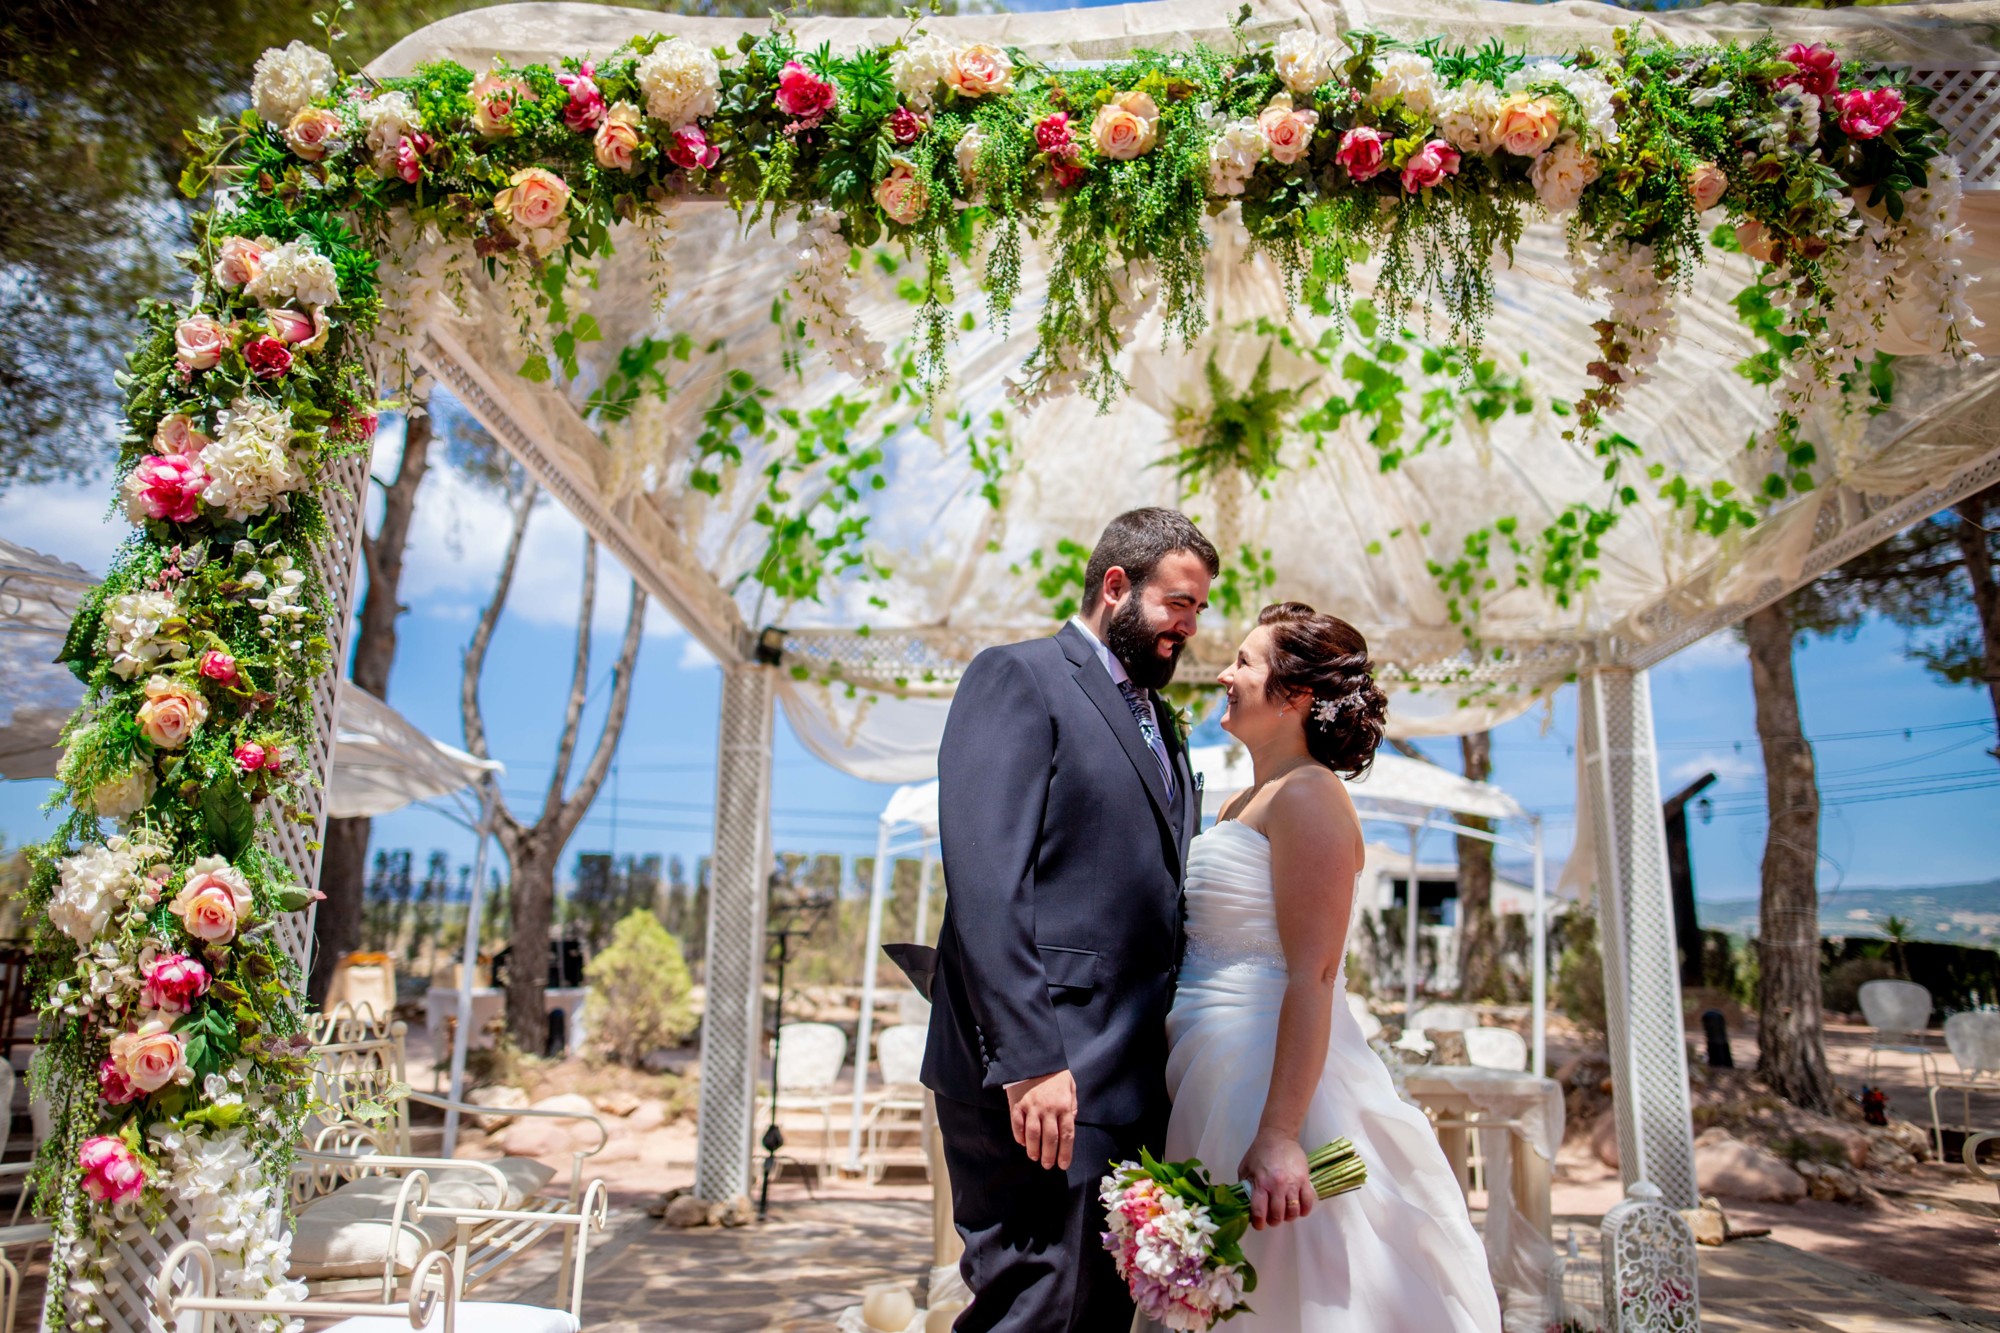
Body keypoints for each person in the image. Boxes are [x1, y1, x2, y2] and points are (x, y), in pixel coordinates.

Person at [1160, 602, 1502, 1332]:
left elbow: (1314, 973)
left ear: (1295, 696)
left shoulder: (1311, 794)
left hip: (1269, 1085)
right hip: (1208, 1071)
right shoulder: (1239, 802)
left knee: (1289, 1294)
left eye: (1246, 662)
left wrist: (1281, 1132)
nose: (1225, 673)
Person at [923, 507, 1216, 1332]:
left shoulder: (1162, 723)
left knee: (1095, 1313)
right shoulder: (1017, 677)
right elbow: (987, 879)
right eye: (1178, 603)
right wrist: (1029, 1060)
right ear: (1116, 585)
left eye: (1197, 609)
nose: (1189, 627)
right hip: (1038, 1076)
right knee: (1033, 1307)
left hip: (1127, 1082)